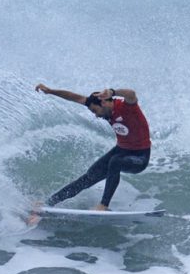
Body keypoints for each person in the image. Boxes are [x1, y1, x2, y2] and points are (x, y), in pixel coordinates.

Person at [34, 83, 151, 211]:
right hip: (121, 150)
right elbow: (74, 97)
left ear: (104, 103)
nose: (96, 115)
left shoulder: (127, 108)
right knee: (89, 177)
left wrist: (112, 92)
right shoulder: (105, 110)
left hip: (140, 156)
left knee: (115, 161)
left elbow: (131, 94)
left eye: (95, 111)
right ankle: (49, 203)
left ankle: (103, 206)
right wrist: (51, 91)